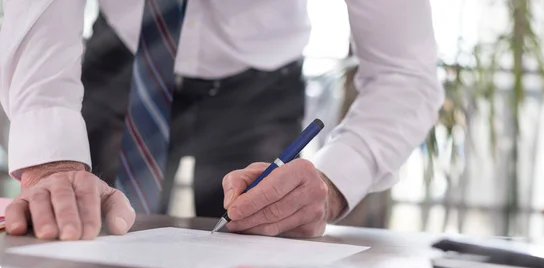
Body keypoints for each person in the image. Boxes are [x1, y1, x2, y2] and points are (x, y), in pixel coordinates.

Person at [0, 0, 443, 240]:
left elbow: (403, 72)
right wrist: (51, 161)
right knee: (79, 237)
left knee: (257, 244)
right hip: (122, 59)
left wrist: (331, 183)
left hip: (259, 85)